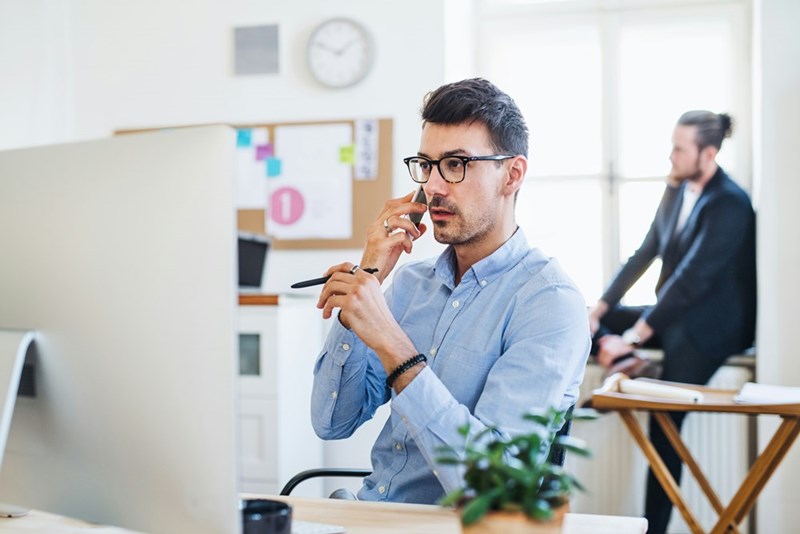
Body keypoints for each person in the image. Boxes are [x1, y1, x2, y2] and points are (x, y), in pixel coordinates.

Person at [309, 78, 590, 504]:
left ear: (511, 174)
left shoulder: (549, 304)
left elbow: (492, 487)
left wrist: (392, 343)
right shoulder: (410, 284)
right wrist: (367, 278)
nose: (434, 187)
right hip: (369, 513)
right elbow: (331, 423)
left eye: (456, 164)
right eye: (427, 164)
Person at [587, 110, 756, 533]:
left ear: (709, 153)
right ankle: (619, 355)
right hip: (673, 311)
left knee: (665, 425)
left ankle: (655, 531)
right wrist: (601, 310)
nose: (671, 156)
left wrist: (634, 335)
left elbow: (692, 280)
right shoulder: (677, 188)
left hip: (710, 327)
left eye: (680, 149)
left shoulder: (731, 204)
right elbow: (645, 253)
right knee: (580, 322)